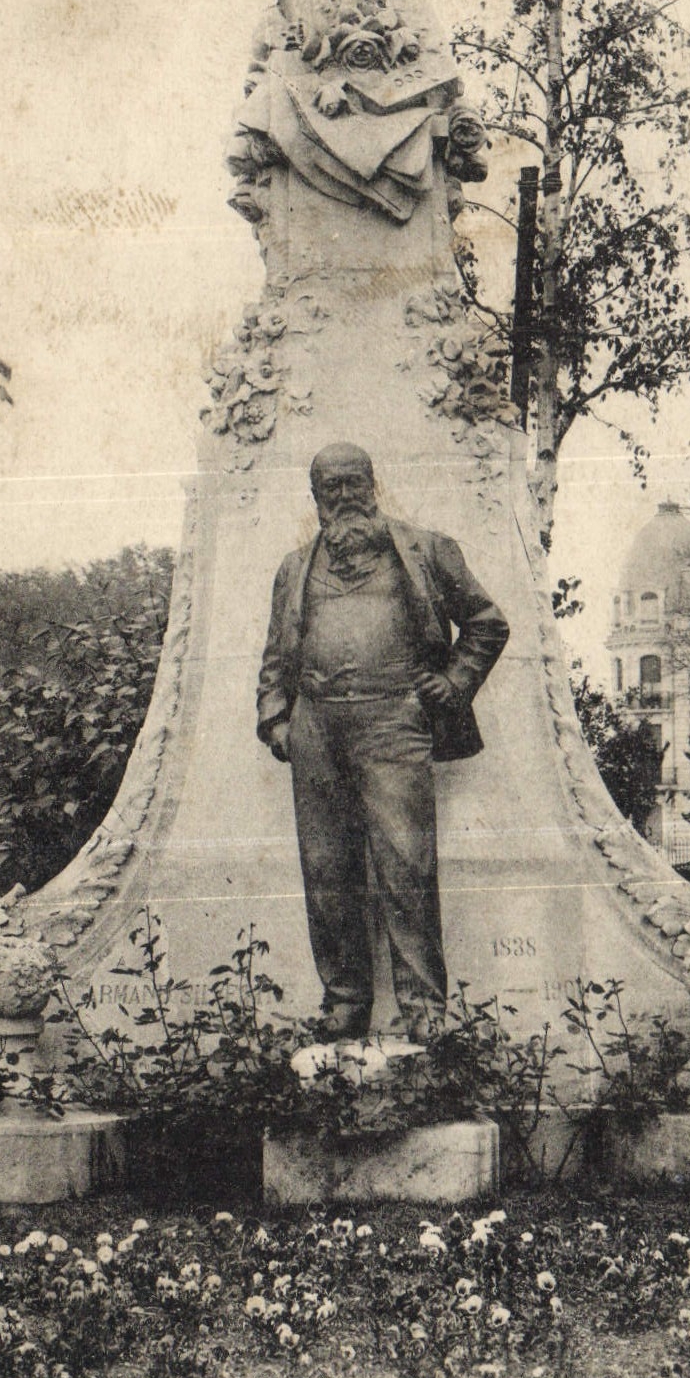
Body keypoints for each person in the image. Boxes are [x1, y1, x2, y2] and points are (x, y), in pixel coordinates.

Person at [257, 442, 508, 1042]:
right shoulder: (294, 567)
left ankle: (424, 1007)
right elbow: (275, 658)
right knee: (326, 869)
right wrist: (277, 722)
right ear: (315, 498)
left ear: (373, 484)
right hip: (316, 725)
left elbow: (487, 622)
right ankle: (344, 1001)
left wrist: (454, 683)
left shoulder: (424, 550)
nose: (343, 497)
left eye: (353, 484)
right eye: (329, 488)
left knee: (406, 866)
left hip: (394, 720)